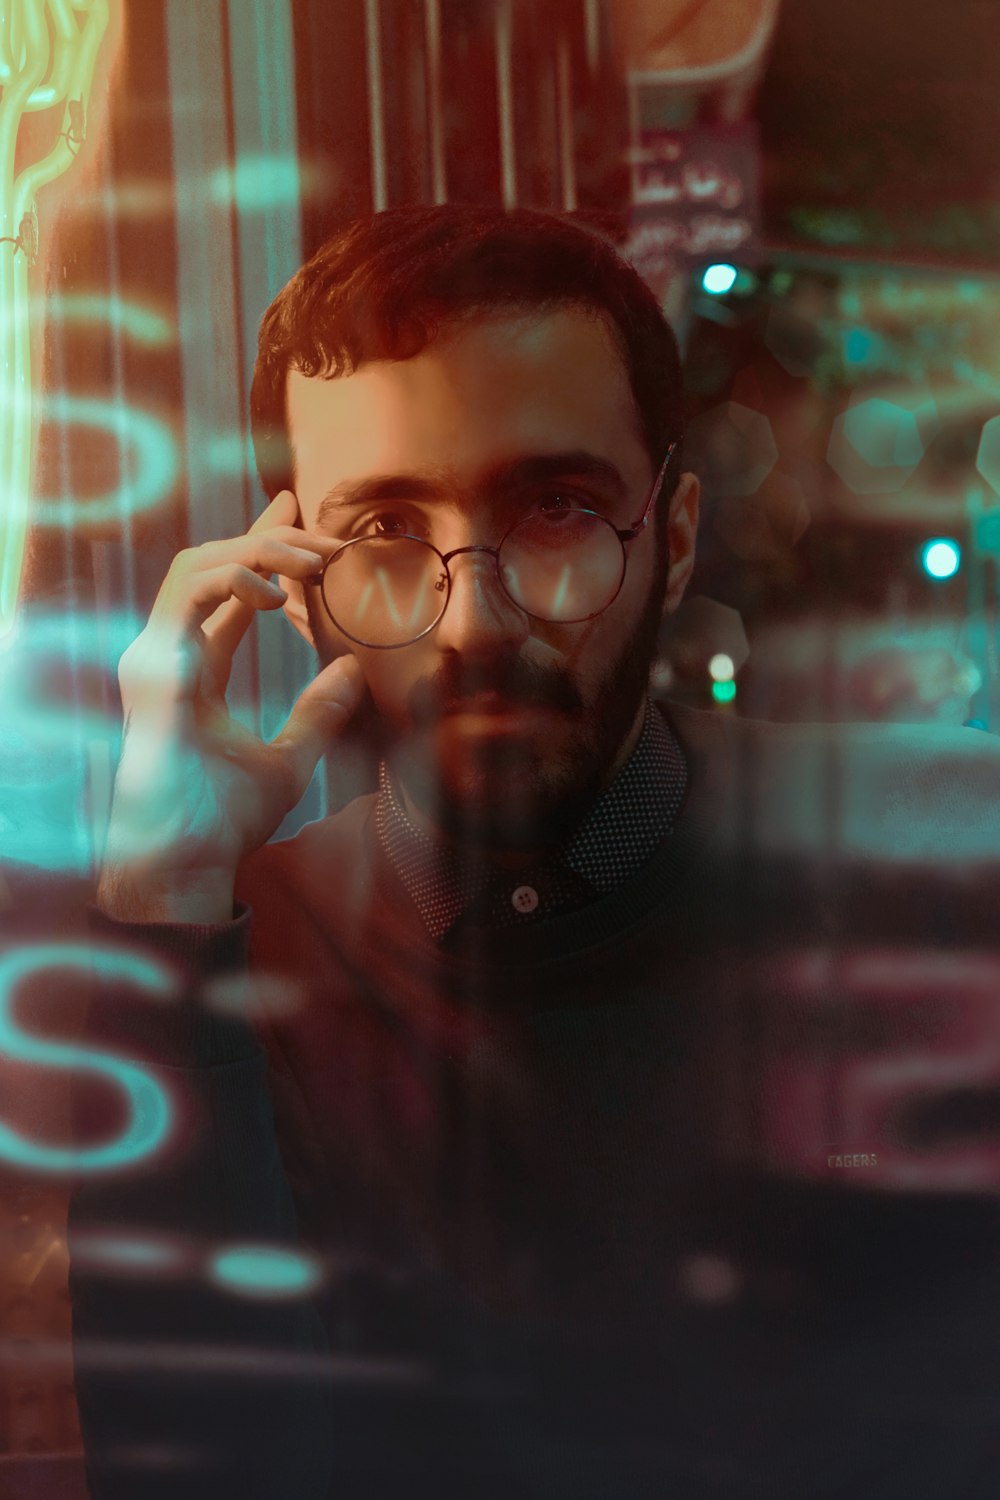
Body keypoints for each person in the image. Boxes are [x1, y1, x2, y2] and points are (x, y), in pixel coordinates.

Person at [70, 204, 1000, 1500]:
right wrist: (165, 896)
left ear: (672, 541)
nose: (474, 622)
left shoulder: (950, 861)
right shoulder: (237, 954)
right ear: (294, 575)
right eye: (386, 533)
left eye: (557, 508)